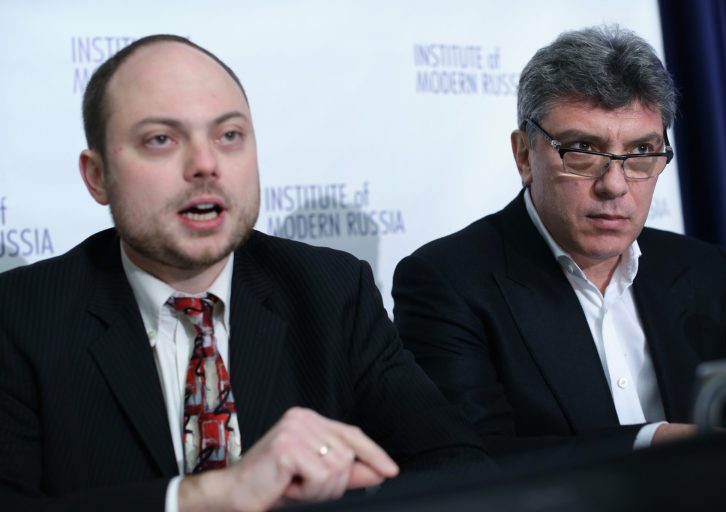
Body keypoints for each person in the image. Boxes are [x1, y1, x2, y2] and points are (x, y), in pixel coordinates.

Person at [0, 35, 488, 511]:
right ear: (97, 176)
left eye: (229, 135)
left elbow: (456, 466)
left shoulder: (333, 291)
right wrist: (201, 499)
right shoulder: (20, 316)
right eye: (161, 140)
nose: (206, 164)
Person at [392, 26, 726, 464]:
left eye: (642, 151)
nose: (614, 185)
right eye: (583, 150)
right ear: (524, 155)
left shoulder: (706, 271)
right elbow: (473, 460)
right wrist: (653, 443)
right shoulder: (448, 281)